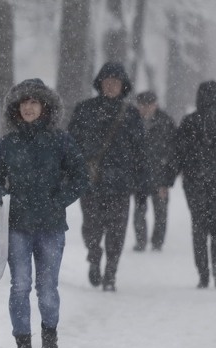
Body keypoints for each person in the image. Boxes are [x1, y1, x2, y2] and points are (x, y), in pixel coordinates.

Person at [0, 78, 88, 348]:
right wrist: (3, 197)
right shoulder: (7, 144)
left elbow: (80, 176)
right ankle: (22, 346)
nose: (28, 108)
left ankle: (49, 333)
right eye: (23, 103)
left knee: (47, 288)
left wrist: (59, 200)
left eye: (34, 102)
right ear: (16, 108)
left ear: (45, 106)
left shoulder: (60, 141)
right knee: (20, 286)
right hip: (17, 226)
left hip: (51, 227)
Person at [68, 62, 150, 292]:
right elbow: (71, 144)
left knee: (117, 230)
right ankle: (94, 258)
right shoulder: (84, 110)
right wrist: (70, 173)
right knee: (91, 227)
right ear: (100, 83)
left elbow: (141, 152)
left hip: (121, 184)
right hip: (91, 182)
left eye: (116, 82)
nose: (111, 85)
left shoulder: (131, 114)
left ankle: (111, 271)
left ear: (123, 85)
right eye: (107, 81)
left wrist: (142, 186)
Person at [173, 80, 216, 290]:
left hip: (195, 183)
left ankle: (202, 272)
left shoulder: (190, 121)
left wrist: (167, 178)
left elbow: (178, 153)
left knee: (199, 227)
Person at [132, 90, 177, 252]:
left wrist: (167, 180)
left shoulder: (166, 122)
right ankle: (141, 241)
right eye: (142, 105)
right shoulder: (132, 122)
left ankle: (157, 242)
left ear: (155, 105)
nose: (145, 108)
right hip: (140, 176)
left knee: (161, 212)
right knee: (139, 211)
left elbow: (174, 153)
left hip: (160, 176)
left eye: (148, 105)